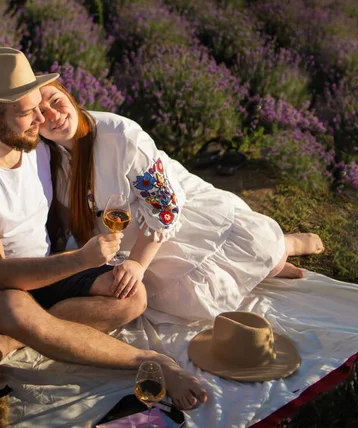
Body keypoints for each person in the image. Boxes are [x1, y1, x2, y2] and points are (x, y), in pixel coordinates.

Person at [0, 47, 207, 411]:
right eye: (27, 112)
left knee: (132, 296)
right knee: (14, 306)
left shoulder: (37, 148)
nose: (40, 118)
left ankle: (6, 339)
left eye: (39, 106)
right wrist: (80, 260)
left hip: (41, 264)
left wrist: (95, 257)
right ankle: (147, 362)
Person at [38, 81, 325, 322]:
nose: (52, 115)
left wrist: (138, 264)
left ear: (70, 96)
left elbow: (164, 208)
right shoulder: (48, 154)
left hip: (174, 215)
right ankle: (267, 264)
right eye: (40, 112)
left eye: (55, 100)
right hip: (128, 236)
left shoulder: (121, 137)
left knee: (257, 254)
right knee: (180, 301)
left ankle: (287, 245)